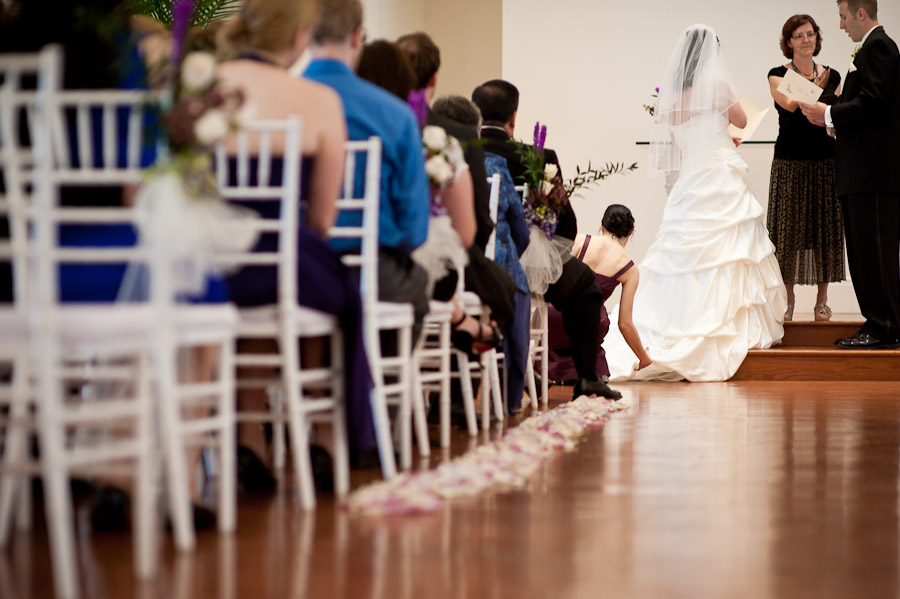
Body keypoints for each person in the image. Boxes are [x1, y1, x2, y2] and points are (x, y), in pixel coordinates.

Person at [216, 0, 375, 480]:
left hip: (210, 261)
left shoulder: (203, 87)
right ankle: (326, 436)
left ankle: (248, 438)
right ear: (300, 36)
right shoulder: (316, 100)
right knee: (332, 288)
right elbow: (322, 220)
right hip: (282, 256)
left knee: (263, 291)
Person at [604, 24, 786, 382]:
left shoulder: (672, 98)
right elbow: (742, 120)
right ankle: (722, 324)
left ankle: (669, 324)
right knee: (730, 251)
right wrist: (725, 133)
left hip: (692, 177)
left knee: (684, 255)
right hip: (719, 172)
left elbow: (677, 141)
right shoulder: (718, 84)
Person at [471, 79, 619, 400]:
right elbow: (567, 225)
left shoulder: (459, 154)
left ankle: (460, 392)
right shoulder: (539, 158)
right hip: (526, 267)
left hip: (468, 269)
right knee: (586, 289)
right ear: (513, 117)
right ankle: (586, 378)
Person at [355, 40, 499, 354]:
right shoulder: (422, 135)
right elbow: (464, 233)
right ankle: (400, 381)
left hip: (337, 263)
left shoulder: (344, 125)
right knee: (428, 276)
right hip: (393, 263)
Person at [302, 0, 431, 344]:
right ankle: (381, 389)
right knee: (419, 286)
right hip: (371, 267)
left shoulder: (284, 101)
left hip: (294, 266)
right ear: (357, 36)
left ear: (305, 34)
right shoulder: (394, 114)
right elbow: (414, 227)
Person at [799, 0, 900, 349]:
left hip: (874, 175)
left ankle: (884, 326)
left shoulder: (880, 47)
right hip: (862, 173)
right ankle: (877, 322)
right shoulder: (872, 49)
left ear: (860, 13)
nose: (841, 25)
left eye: (843, 17)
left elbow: (874, 104)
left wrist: (828, 114)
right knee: (863, 253)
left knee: (875, 253)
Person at [432, 94, 532, 413]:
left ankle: (444, 392)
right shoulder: (480, 160)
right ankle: (499, 395)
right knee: (507, 289)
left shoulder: (421, 149)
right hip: (462, 258)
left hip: (414, 257)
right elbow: (494, 227)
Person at [767, 14, 845, 323]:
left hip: (826, 161)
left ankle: (822, 301)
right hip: (790, 163)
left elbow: (832, 111)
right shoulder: (776, 73)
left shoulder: (834, 74)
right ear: (788, 42)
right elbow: (789, 104)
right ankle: (788, 301)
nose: (806, 40)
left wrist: (815, 93)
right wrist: (815, 87)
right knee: (788, 234)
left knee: (824, 231)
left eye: (810, 34)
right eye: (799, 35)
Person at [559, 206, 652, 379]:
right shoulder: (631, 271)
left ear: (602, 226)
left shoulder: (579, 241)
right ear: (631, 232)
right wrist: (643, 358)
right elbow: (625, 324)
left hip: (558, 317)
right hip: (590, 325)